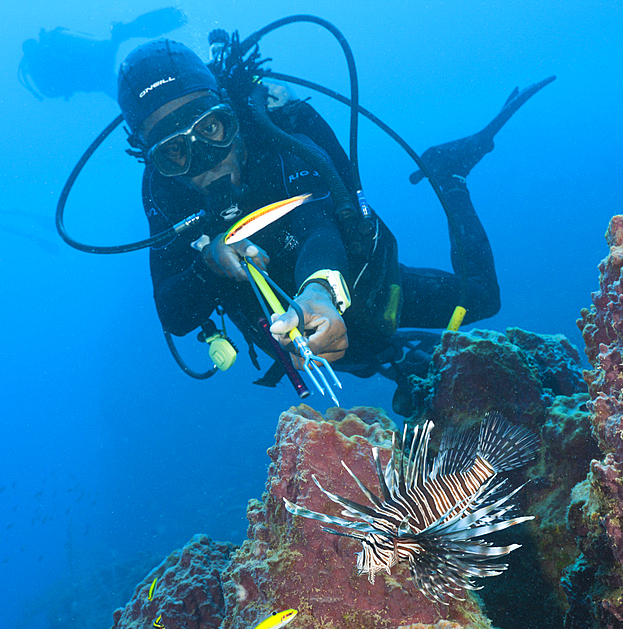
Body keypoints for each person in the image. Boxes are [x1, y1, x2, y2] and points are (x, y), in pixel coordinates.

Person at [116, 39, 543, 413]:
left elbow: (320, 222)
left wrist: (319, 291)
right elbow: (173, 314)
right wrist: (207, 263)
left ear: (230, 114)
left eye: (210, 128)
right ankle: (399, 360)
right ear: (150, 157)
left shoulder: (278, 131)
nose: (207, 158)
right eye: (175, 151)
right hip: (304, 341)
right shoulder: (163, 192)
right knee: (367, 356)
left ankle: (448, 176)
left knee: (482, 300)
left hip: (365, 287)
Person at [19, 8, 186, 101]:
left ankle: (163, 100)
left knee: (131, 100)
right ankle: (178, 16)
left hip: (94, 78)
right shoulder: (51, 44)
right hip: (97, 65)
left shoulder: (34, 65)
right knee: (122, 35)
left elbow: (50, 92)